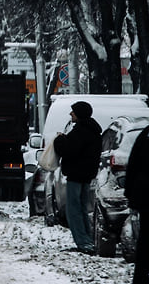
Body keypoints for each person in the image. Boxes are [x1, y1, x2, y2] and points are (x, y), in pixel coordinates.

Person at [53, 101, 102, 255]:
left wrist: (60, 139)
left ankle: (83, 242)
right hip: (87, 175)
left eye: (73, 112)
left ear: (79, 114)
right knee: (82, 208)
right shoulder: (94, 130)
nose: (71, 114)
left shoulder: (80, 131)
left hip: (76, 175)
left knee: (73, 210)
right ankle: (87, 240)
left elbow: (68, 150)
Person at [125, 125, 149, 284]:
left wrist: (131, 195)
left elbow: (133, 165)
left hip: (146, 195)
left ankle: (141, 277)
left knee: (146, 239)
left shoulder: (146, 134)